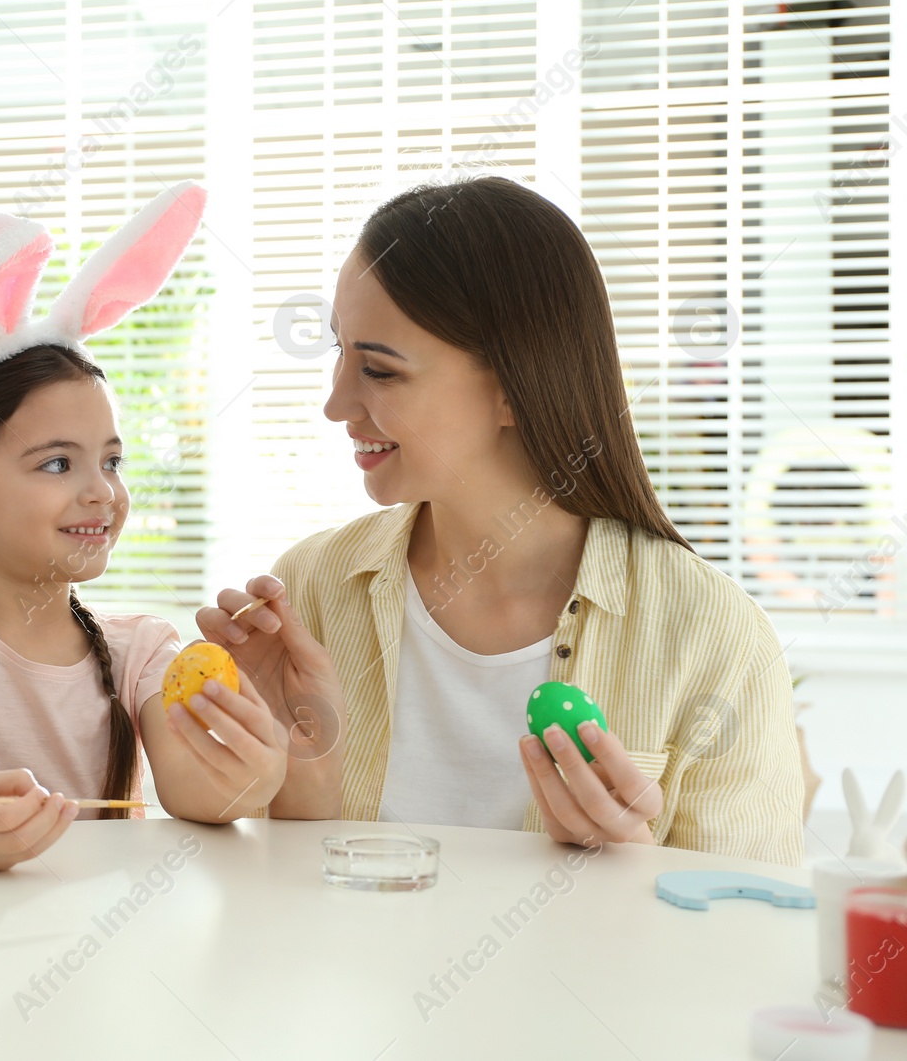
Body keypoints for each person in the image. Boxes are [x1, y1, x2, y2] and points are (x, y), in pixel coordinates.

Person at [198, 176, 804, 866]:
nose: (336, 404)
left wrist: (632, 865)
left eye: (380, 370)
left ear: (516, 388)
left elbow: (748, 941)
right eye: (340, 353)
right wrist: (274, 771)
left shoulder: (713, 636)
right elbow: (252, 896)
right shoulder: (308, 593)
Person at [0, 183, 288, 869]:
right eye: (56, 463)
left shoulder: (141, 651)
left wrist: (253, 770)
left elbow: (192, 790)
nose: (102, 491)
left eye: (112, 460)